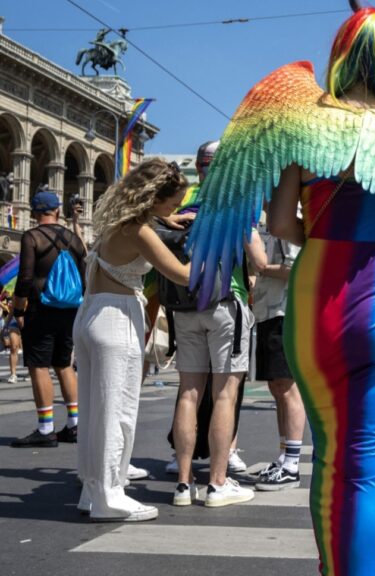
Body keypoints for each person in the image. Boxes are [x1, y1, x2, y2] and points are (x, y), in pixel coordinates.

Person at [185, 8, 375, 574]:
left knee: (327, 456)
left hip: (316, 295)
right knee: (369, 464)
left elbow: (278, 225)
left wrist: (324, 234)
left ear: (342, 54)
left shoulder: (299, 115)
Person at [75, 159, 191, 522]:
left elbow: (146, 225)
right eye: (172, 204)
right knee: (118, 411)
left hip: (91, 312)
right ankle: (110, 495)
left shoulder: (116, 222)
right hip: (117, 316)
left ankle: (92, 490)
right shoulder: (140, 232)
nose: (174, 211)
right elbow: (183, 275)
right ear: (154, 198)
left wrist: (163, 220)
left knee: (95, 410)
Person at [169, 140, 267, 508]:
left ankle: (182, 484)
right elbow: (257, 260)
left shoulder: (185, 206)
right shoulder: (236, 208)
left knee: (188, 393)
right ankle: (217, 483)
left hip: (186, 306)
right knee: (224, 394)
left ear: (199, 167)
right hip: (226, 304)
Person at [10, 190, 85, 448]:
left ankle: (45, 429)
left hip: (41, 310)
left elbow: (26, 277)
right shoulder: (74, 239)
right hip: (70, 310)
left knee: (39, 365)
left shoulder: (33, 236)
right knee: (63, 364)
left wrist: (18, 310)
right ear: (56, 210)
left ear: (34, 212)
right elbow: (84, 274)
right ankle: (75, 426)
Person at [252, 227, 305, 491]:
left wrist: (262, 266)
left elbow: (297, 269)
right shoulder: (274, 224)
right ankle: (284, 456)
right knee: (277, 387)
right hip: (269, 309)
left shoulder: (286, 225)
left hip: (284, 310)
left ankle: (292, 465)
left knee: (287, 386)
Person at [2, 295, 22, 383]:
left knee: (31, 348)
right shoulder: (16, 294)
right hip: (14, 321)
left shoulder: (35, 291)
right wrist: (5, 326)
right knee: (13, 347)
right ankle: (13, 374)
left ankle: (31, 371)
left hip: (29, 321)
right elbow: (12, 312)